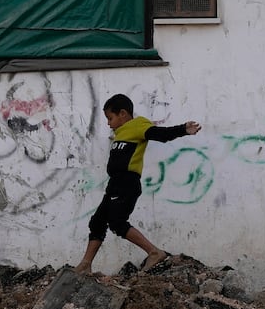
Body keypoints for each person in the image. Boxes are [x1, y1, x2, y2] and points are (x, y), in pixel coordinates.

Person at [74, 93, 202, 275]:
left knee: (117, 222)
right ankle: (86, 264)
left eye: (110, 118)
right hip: (115, 184)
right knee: (97, 222)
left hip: (127, 183)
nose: (108, 123)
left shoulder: (137, 125)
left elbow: (160, 134)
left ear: (123, 114)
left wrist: (183, 129)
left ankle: (154, 252)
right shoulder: (119, 134)